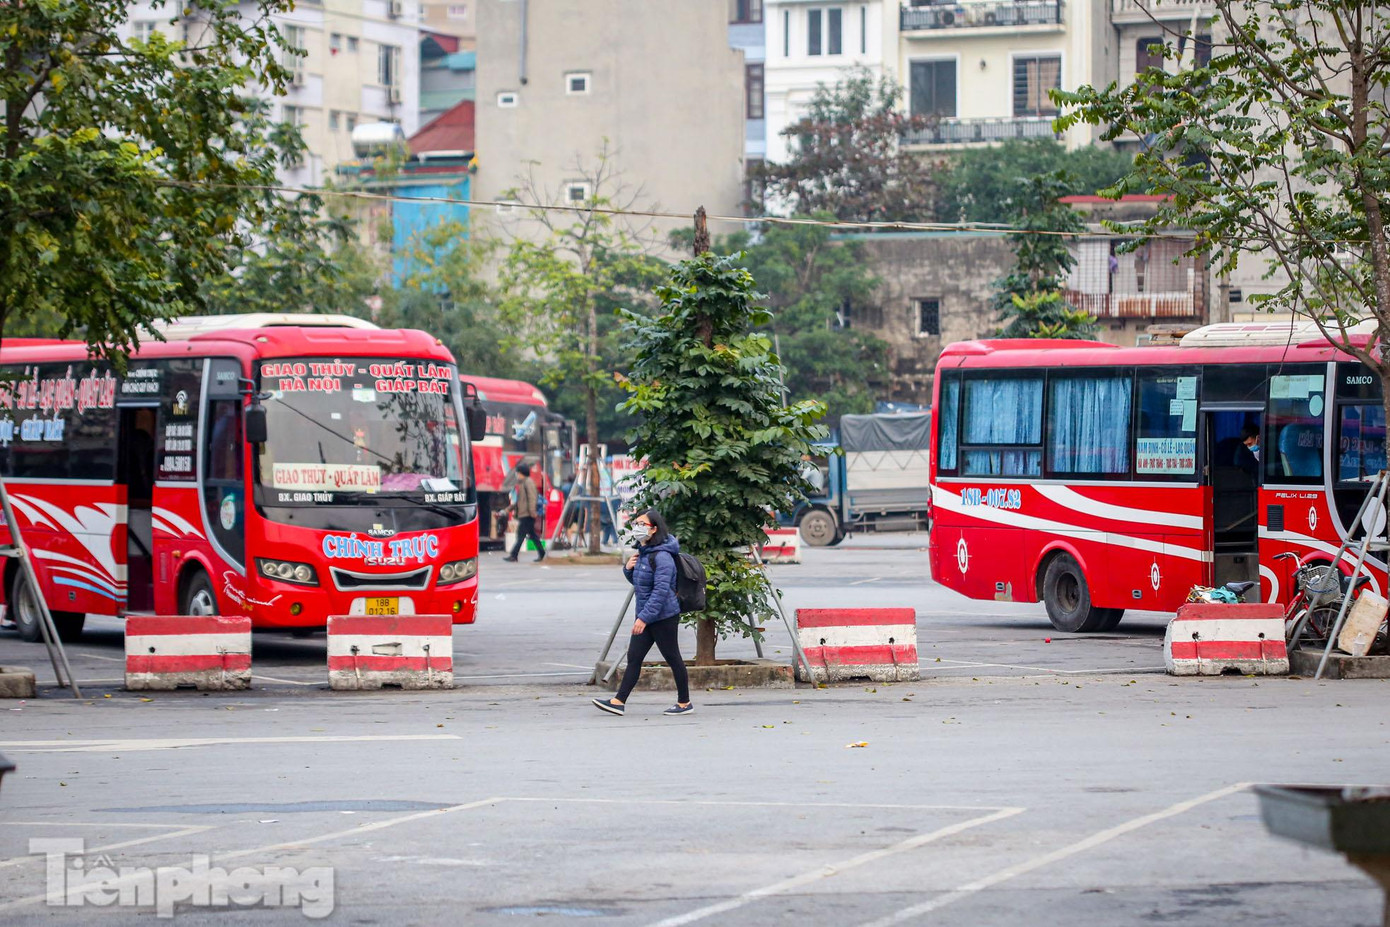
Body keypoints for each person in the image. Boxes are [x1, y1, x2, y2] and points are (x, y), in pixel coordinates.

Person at [593, 509, 692, 716]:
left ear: (654, 529)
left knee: (673, 657)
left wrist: (643, 618)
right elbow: (642, 585)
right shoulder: (643, 553)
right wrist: (628, 569)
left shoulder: (663, 556)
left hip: (663, 616)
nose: (637, 528)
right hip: (647, 615)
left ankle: (684, 703)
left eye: (642, 524)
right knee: (634, 657)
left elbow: (661, 591)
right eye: (636, 523)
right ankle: (618, 701)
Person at [504, 462, 545, 562]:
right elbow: (520, 501)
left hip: (527, 514)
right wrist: (509, 509)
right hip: (525, 514)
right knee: (532, 535)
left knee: (521, 535)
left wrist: (532, 512)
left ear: (522, 473)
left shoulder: (528, 483)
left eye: (518, 473)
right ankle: (542, 553)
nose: (517, 475)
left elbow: (532, 498)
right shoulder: (523, 483)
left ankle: (513, 555)